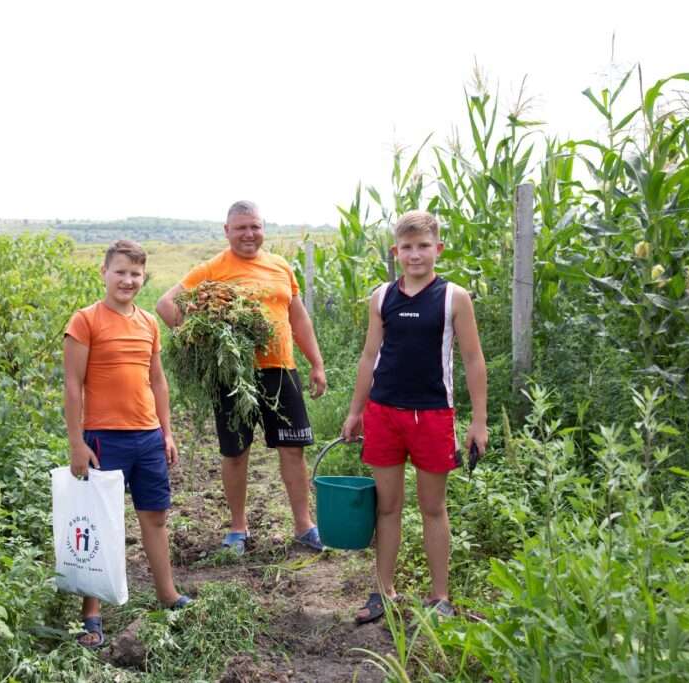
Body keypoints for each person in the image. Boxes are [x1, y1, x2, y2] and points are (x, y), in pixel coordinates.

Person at [156, 200, 327, 555]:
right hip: (234, 376)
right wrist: (203, 338)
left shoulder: (281, 266)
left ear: (263, 228)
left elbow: (298, 318)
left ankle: (304, 526)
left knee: (293, 449)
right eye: (241, 228)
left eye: (255, 227)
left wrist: (316, 363)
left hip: (281, 371)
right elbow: (165, 305)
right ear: (227, 231)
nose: (249, 234)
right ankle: (238, 528)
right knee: (235, 452)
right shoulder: (212, 268)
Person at [341, 210, 488, 621]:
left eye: (423, 246)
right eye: (407, 247)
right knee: (387, 507)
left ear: (438, 249)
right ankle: (383, 591)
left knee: (432, 507)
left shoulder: (454, 298)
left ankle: (439, 597)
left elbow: (474, 360)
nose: (416, 254)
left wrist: (479, 421)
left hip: (433, 416)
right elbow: (369, 356)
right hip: (383, 414)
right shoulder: (381, 297)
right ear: (396, 252)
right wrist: (355, 411)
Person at [64, 239, 191, 649]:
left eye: (135, 274)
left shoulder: (149, 323)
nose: (128, 280)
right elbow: (72, 385)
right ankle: (91, 613)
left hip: (148, 436)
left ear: (144, 277)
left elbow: (157, 380)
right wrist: (77, 442)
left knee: (155, 516)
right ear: (104, 272)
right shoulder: (85, 320)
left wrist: (166, 432)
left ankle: (168, 595)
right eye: (120, 272)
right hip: (103, 439)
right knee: (98, 523)